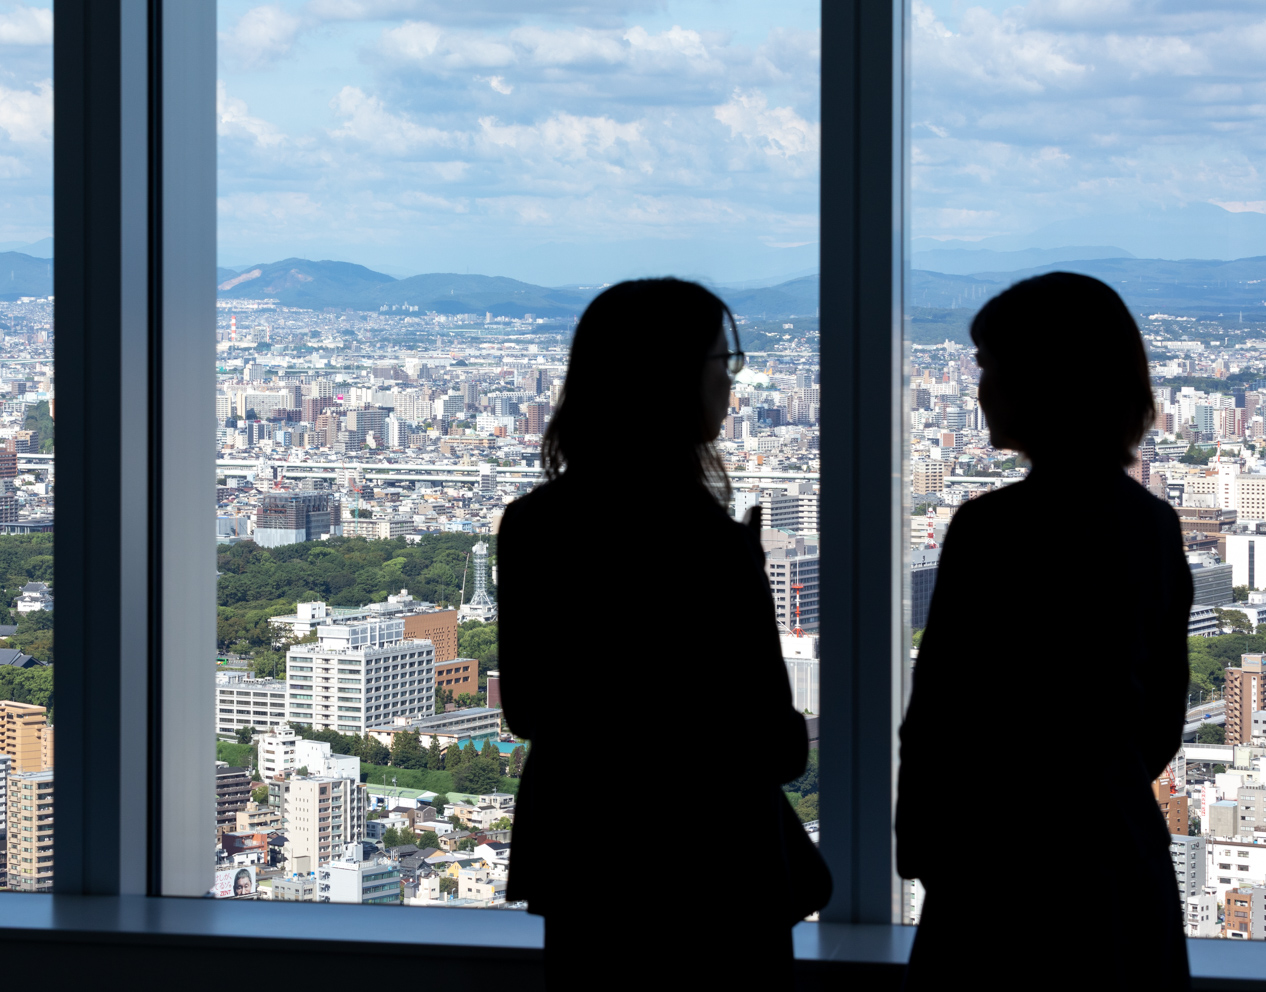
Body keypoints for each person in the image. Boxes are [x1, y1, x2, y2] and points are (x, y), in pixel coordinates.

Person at [500, 278, 823, 985]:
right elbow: (775, 744)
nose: (732, 385)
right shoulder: (708, 544)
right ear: (673, 378)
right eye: (724, 363)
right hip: (716, 870)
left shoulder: (533, 527)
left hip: (586, 863)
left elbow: (527, 711)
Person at [897, 272, 1190, 989]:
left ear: (1043, 381)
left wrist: (929, 849)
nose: (979, 391)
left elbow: (939, 716)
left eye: (990, 368)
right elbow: (1160, 724)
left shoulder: (992, 531)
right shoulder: (1151, 526)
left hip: (998, 881)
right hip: (1118, 869)